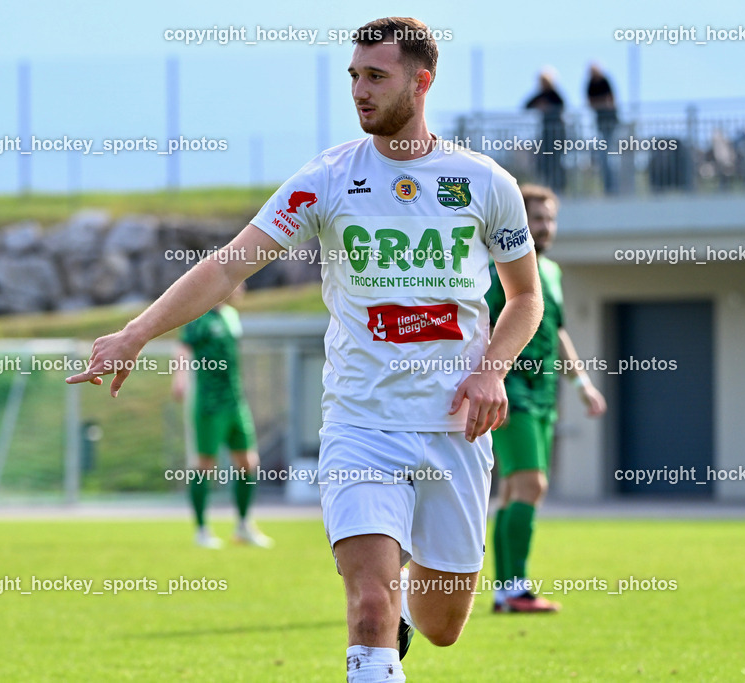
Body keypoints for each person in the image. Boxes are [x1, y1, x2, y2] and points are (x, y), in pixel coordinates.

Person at [67, 16, 542, 683]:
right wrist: (136, 332)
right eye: (353, 76)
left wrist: (491, 369)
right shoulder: (326, 179)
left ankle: (408, 600)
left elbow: (524, 297)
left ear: (421, 80)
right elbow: (229, 267)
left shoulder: (485, 182)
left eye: (376, 76)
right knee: (370, 607)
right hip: (361, 428)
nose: (360, 90)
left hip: (454, 429)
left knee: (442, 626)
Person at [486, 184, 606, 613]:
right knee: (531, 484)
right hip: (510, 389)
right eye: (537, 219)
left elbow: (555, 331)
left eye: (550, 219)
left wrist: (582, 384)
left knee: (516, 490)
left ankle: (506, 592)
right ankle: (513, 589)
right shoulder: (496, 265)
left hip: (544, 393)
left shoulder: (550, 272)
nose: (545, 227)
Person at [171, 285, 272, 549]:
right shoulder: (200, 317)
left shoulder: (231, 316)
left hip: (235, 402)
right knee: (205, 464)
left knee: (248, 462)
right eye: (238, 282)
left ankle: (243, 525)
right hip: (209, 403)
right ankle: (202, 529)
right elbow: (183, 347)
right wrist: (179, 378)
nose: (243, 287)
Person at [525, 68, 567, 193]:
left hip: (557, 134)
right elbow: (527, 105)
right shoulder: (541, 95)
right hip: (546, 134)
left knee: (556, 161)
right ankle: (547, 186)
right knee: (544, 161)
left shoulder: (555, 94)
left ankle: (559, 188)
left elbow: (561, 106)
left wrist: (547, 108)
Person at [586, 65, 619, 194]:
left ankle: (613, 189)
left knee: (611, 156)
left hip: (611, 123)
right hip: (600, 124)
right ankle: (608, 188)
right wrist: (601, 103)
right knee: (603, 157)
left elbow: (610, 101)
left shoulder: (605, 81)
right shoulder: (590, 84)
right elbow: (591, 102)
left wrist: (600, 103)